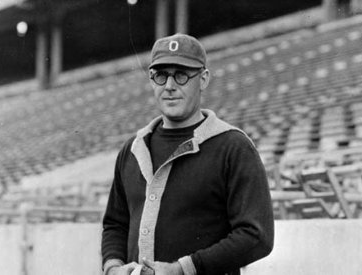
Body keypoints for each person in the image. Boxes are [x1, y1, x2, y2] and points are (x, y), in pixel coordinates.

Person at [101, 33, 274, 275]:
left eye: (181, 75)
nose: (170, 86)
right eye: (161, 76)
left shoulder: (233, 146)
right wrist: (113, 268)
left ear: (203, 79)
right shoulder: (132, 149)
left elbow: (257, 236)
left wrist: (183, 269)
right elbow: (115, 224)